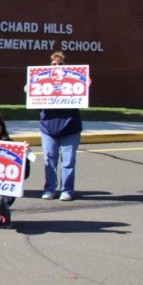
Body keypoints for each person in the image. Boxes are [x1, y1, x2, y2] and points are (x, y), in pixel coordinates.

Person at [36, 51, 85, 201]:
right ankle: (50, 189)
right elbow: (33, 98)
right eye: (54, 64)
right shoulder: (40, 81)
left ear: (67, 66)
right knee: (49, 161)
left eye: (60, 64)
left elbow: (83, 95)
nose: (57, 67)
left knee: (68, 162)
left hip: (70, 128)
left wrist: (85, 84)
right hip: (48, 128)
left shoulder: (75, 81)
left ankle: (67, 190)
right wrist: (28, 88)